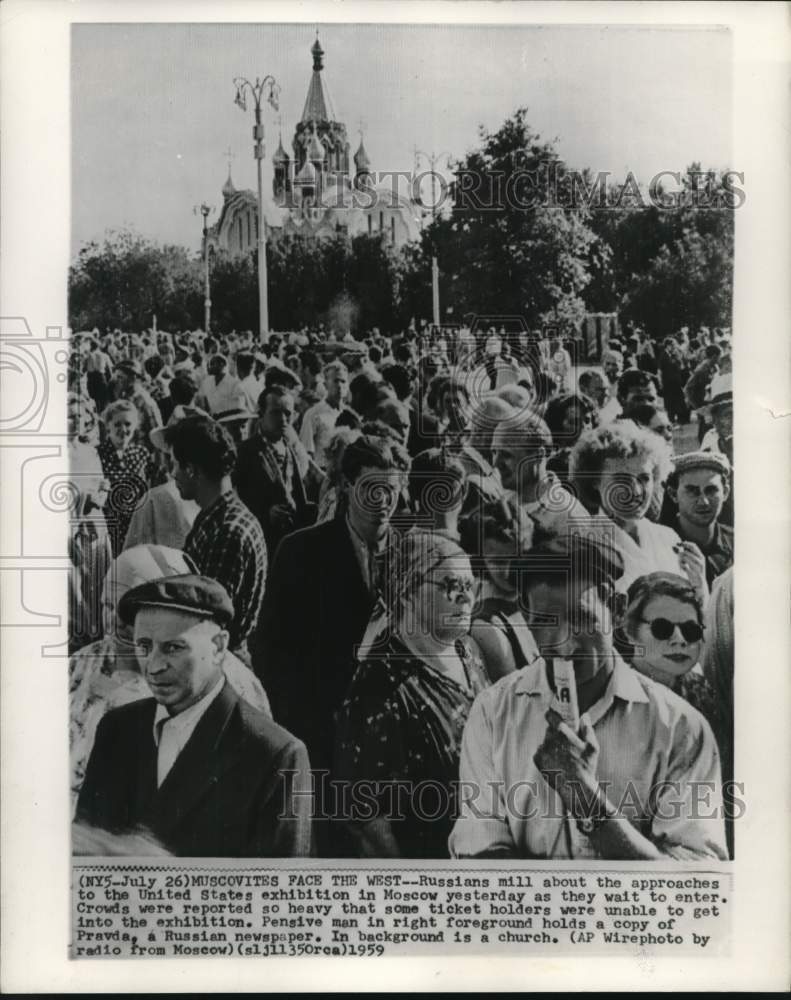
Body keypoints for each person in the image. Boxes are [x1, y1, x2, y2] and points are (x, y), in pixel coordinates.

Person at [449, 533, 728, 860]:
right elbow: (480, 847)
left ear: (617, 610)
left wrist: (584, 797)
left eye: (582, 619)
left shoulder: (681, 728)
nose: (565, 645)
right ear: (525, 618)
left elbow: (691, 883)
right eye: (544, 623)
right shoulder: (492, 712)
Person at [76, 574, 312, 857]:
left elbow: (278, 893)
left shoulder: (275, 754)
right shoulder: (116, 729)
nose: (154, 666)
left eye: (173, 648)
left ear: (219, 647)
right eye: (144, 647)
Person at [255, 433, 409, 829]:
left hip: (390, 748)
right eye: (370, 488)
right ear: (345, 486)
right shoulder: (301, 553)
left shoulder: (413, 556)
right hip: (321, 740)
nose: (382, 501)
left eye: (390, 490)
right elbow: (272, 655)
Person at [69, 544, 271, 810]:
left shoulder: (232, 683)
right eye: (107, 603)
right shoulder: (82, 665)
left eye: (127, 610)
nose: (113, 619)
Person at [335, 531, 489, 858]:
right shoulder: (379, 692)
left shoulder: (468, 651)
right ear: (406, 594)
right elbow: (368, 822)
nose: (466, 598)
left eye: (471, 585)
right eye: (450, 585)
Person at [570, 421, 707, 597]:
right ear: (595, 481)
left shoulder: (668, 537)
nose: (635, 491)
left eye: (644, 478)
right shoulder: (582, 544)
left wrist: (700, 586)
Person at [166, 415, 267, 655]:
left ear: (191, 470)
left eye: (175, 465)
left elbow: (208, 623)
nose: (172, 474)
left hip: (218, 666)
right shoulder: (217, 514)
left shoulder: (228, 532)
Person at [619, 571, 717, 727]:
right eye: (662, 628)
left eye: (690, 630)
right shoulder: (614, 691)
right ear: (629, 630)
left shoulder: (703, 693)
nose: (679, 640)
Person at [459, 503, 539, 681]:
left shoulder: (538, 595)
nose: (511, 570)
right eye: (498, 562)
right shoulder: (488, 627)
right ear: (482, 561)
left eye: (520, 556)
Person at [234, 384, 314, 557]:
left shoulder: (290, 449)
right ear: (261, 414)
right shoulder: (247, 451)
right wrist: (265, 513)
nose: (283, 419)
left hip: (289, 543)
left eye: (288, 413)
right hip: (260, 542)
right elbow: (235, 499)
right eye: (276, 412)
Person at [491, 410, 591, 547]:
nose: (496, 464)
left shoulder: (570, 518)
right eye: (494, 452)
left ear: (538, 455)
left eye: (506, 454)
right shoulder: (500, 498)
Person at [67, 392, 113, 651]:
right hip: (71, 528)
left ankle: (99, 638)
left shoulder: (90, 451)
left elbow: (103, 484)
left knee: (98, 582)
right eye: (70, 417)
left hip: (95, 525)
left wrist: (100, 495)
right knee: (76, 589)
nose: (76, 421)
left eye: (80, 416)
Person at [665, 451, 733, 586]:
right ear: (673, 495)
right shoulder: (661, 546)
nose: (704, 502)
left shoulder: (738, 543)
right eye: (692, 491)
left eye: (711, 490)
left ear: (725, 492)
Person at [97, 400, 150, 557]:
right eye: (117, 424)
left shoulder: (142, 454)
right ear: (108, 426)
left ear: (135, 426)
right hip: (109, 528)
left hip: (136, 527)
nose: (123, 429)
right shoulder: (97, 455)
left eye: (127, 424)